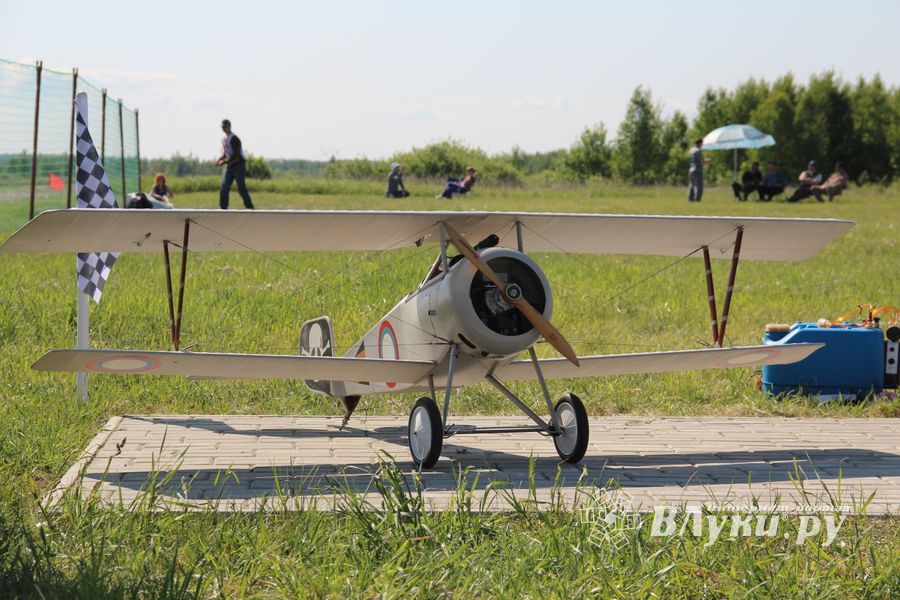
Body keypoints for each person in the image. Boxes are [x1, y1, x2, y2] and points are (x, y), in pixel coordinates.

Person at [215, 119, 255, 209]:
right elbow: (225, 153)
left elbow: (235, 156)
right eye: (223, 127)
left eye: (225, 127)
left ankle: (250, 208)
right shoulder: (224, 139)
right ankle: (223, 209)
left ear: (229, 127)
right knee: (224, 188)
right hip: (229, 166)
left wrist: (224, 162)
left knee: (241, 188)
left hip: (239, 165)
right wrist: (219, 160)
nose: (224, 129)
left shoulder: (234, 139)